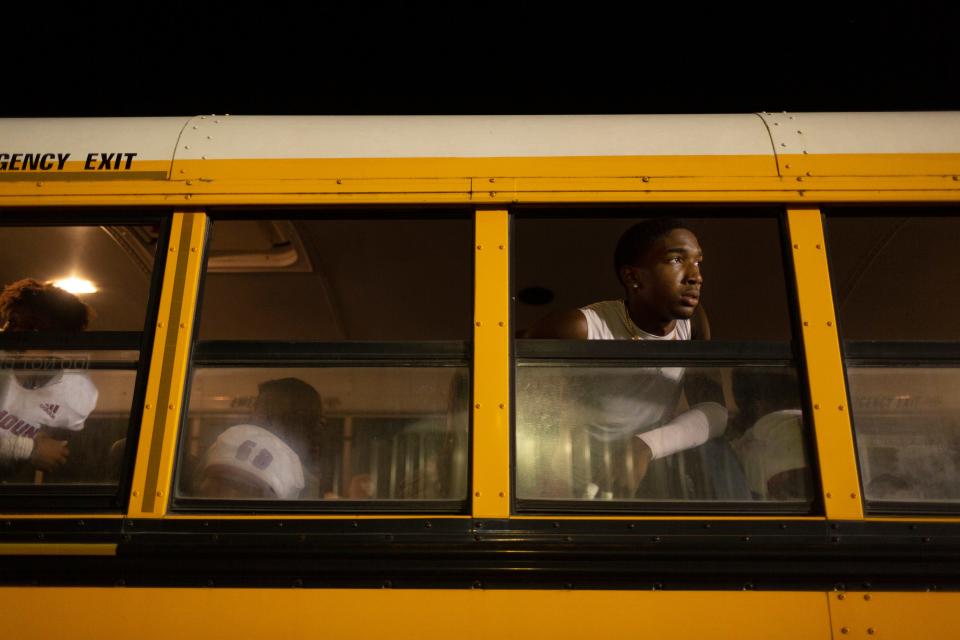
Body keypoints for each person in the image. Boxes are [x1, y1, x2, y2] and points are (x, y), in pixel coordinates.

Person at [525, 218, 726, 498]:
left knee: (720, 454)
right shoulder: (580, 327)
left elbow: (716, 411)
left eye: (698, 262)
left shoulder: (692, 323)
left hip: (647, 469)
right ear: (633, 277)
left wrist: (643, 446)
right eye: (677, 259)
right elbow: (497, 363)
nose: (696, 275)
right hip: (573, 478)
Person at [0, 279, 98, 473]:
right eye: (10, 322)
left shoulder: (74, 394)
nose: (9, 332)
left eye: (30, 328)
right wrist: (30, 449)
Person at [196, 377, 323, 500]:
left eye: (257, 408)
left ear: (274, 416)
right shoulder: (300, 478)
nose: (251, 415)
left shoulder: (228, 445)